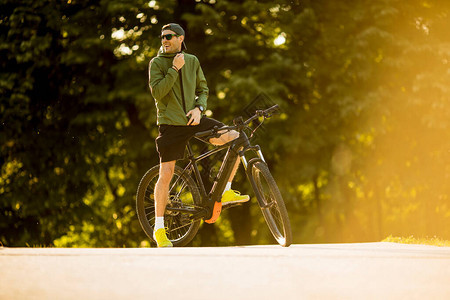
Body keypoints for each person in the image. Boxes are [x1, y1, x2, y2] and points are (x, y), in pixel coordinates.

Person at [148, 23, 249, 247]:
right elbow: (157, 92)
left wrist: (199, 108)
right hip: (171, 125)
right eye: (162, 37)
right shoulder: (157, 63)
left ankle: (226, 190)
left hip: (193, 119)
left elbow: (203, 90)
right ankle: (159, 228)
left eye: (169, 36)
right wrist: (174, 69)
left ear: (180, 38)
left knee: (234, 138)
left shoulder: (192, 61)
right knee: (167, 173)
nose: (164, 40)